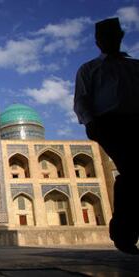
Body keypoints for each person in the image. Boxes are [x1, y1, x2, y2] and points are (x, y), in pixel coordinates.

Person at [74, 17, 139, 254]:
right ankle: (124, 233)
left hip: (136, 123)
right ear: (97, 41)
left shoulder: (135, 66)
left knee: (131, 174)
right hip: (110, 125)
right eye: (105, 37)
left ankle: (124, 231)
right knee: (133, 171)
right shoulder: (90, 69)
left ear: (120, 36)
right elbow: (81, 100)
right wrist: (91, 123)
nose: (109, 40)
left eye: (114, 35)